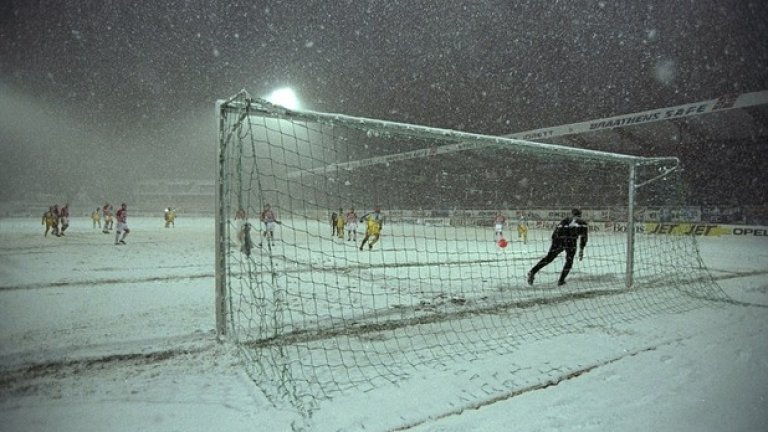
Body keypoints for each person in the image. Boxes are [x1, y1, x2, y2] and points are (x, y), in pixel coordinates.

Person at [527, 208, 588, 286]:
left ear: (572, 214)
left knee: (549, 258)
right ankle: (561, 280)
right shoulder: (583, 222)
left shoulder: (565, 219)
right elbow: (584, 237)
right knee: (569, 261)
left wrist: (554, 243)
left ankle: (532, 271)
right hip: (571, 241)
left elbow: (555, 232)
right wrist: (581, 249)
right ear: (580, 214)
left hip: (558, 239)